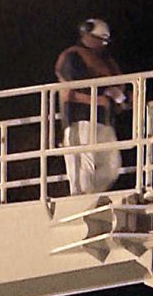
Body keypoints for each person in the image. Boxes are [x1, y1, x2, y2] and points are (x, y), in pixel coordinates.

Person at [54, 18, 126, 195]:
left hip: (104, 120)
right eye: (99, 39)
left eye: (104, 40)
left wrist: (124, 99)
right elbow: (76, 79)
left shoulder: (108, 61)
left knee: (112, 166)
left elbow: (121, 84)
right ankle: (82, 200)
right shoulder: (72, 55)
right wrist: (107, 91)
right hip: (79, 118)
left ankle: (91, 197)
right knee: (82, 168)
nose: (102, 44)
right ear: (87, 36)